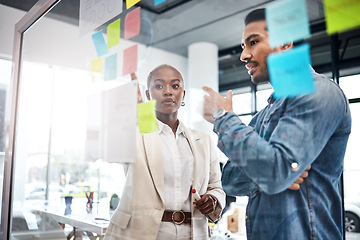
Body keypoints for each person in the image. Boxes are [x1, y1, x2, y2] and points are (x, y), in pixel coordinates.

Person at [202, 8, 352, 240]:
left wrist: (223, 116)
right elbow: (229, 180)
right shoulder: (262, 115)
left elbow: (275, 171)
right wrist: (270, 171)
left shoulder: (319, 91)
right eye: (243, 46)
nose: (244, 56)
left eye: (253, 42)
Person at [104, 64, 225, 240]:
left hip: (193, 233)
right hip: (142, 234)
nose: (168, 91)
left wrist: (213, 199)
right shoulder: (134, 132)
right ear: (148, 95)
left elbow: (216, 186)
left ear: (183, 95)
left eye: (175, 86)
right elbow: (110, 148)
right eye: (159, 86)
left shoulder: (204, 141)